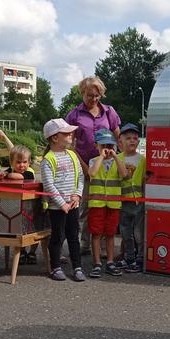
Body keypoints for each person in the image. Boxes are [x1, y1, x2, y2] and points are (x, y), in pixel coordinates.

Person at [65, 76, 121, 255]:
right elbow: (69, 145)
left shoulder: (109, 112)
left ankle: (105, 247)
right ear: (82, 93)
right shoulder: (75, 115)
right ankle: (86, 244)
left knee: (107, 207)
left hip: (107, 167)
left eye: (97, 95)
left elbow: (118, 138)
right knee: (87, 207)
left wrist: (119, 161)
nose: (94, 99)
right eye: (90, 95)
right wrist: (83, 167)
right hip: (85, 166)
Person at [40, 119, 85, 281]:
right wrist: (62, 204)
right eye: (66, 133)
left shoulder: (72, 155)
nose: (71, 135)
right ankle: (56, 267)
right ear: (54, 138)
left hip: (73, 204)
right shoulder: (48, 159)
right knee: (57, 237)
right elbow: (48, 185)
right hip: (57, 208)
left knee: (74, 237)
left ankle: (77, 267)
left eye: (70, 133)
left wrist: (77, 195)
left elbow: (80, 176)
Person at [87, 128, 127, 278]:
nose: (107, 149)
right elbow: (92, 173)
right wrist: (101, 158)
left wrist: (116, 157)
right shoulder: (93, 161)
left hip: (113, 205)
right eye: (103, 146)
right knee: (96, 233)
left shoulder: (119, 161)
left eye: (110, 146)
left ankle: (110, 261)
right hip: (97, 204)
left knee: (110, 234)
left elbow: (124, 174)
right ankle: (97, 262)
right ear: (96, 146)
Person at [116, 123, 145, 273]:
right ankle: (129, 257)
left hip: (139, 202)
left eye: (135, 138)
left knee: (139, 233)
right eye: (128, 138)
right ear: (120, 141)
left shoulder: (143, 160)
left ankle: (140, 258)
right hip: (122, 202)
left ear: (139, 141)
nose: (132, 141)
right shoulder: (117, 158)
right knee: (126, 232)